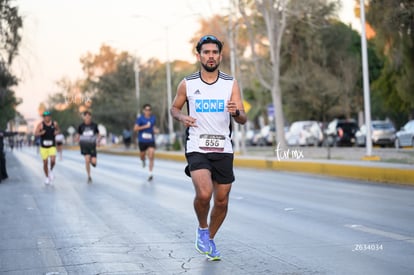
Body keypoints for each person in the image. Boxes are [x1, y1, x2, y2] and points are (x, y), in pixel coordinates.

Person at [170, 35, 247, 260]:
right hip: (197, 146)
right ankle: (203, 228)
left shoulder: (230, 83)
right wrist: (182, 118)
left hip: (223, 147)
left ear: (220, 56)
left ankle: (209, 238)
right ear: (199, 56)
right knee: (204, 193)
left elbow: (243, 118)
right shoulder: (187, 83)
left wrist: (236, 112)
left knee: (222, 200)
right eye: (206, 52)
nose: (211, 56)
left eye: (214, 52)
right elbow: (174, 108)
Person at [34, 110, 61, 185]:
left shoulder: (54, 123)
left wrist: (57, 132)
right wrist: (41, 133)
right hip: (43, 147)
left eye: (48, 116)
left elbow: (58, 130)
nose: (47, 118)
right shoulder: (41, 125)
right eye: (45, 116)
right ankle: (47, 177)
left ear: (50, 117)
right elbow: (35, 133)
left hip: (52, 146)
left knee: (53, 161)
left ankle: (51, 170)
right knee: (45, 163)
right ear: (44, 117)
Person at [134, 103, 158, 181]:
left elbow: (153, 127)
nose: (148, 111)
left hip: (151, 140)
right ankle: (143, 160)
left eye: (149, 110)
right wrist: (145, 126)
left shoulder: (153, 118)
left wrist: (155, 130)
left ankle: (150, 173)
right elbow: (135, 129)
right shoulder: (140, 119)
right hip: (142, 140)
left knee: (151, 156)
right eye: (146, 110)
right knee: (142, 155)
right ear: (143, 111)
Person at [76, 110, 100, 183]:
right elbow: (78, 135)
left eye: (88, 117)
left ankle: (92, 161)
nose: (87, 118)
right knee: (86, 160)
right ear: (84, 117)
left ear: (90, 117)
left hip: (92, 146)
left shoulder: (94, 125)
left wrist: (98, 141)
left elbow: (98, 134)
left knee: (94, 163)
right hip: (84, 146)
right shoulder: (81, 126)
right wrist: (77, 139)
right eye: (86, 117)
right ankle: (89, 176)